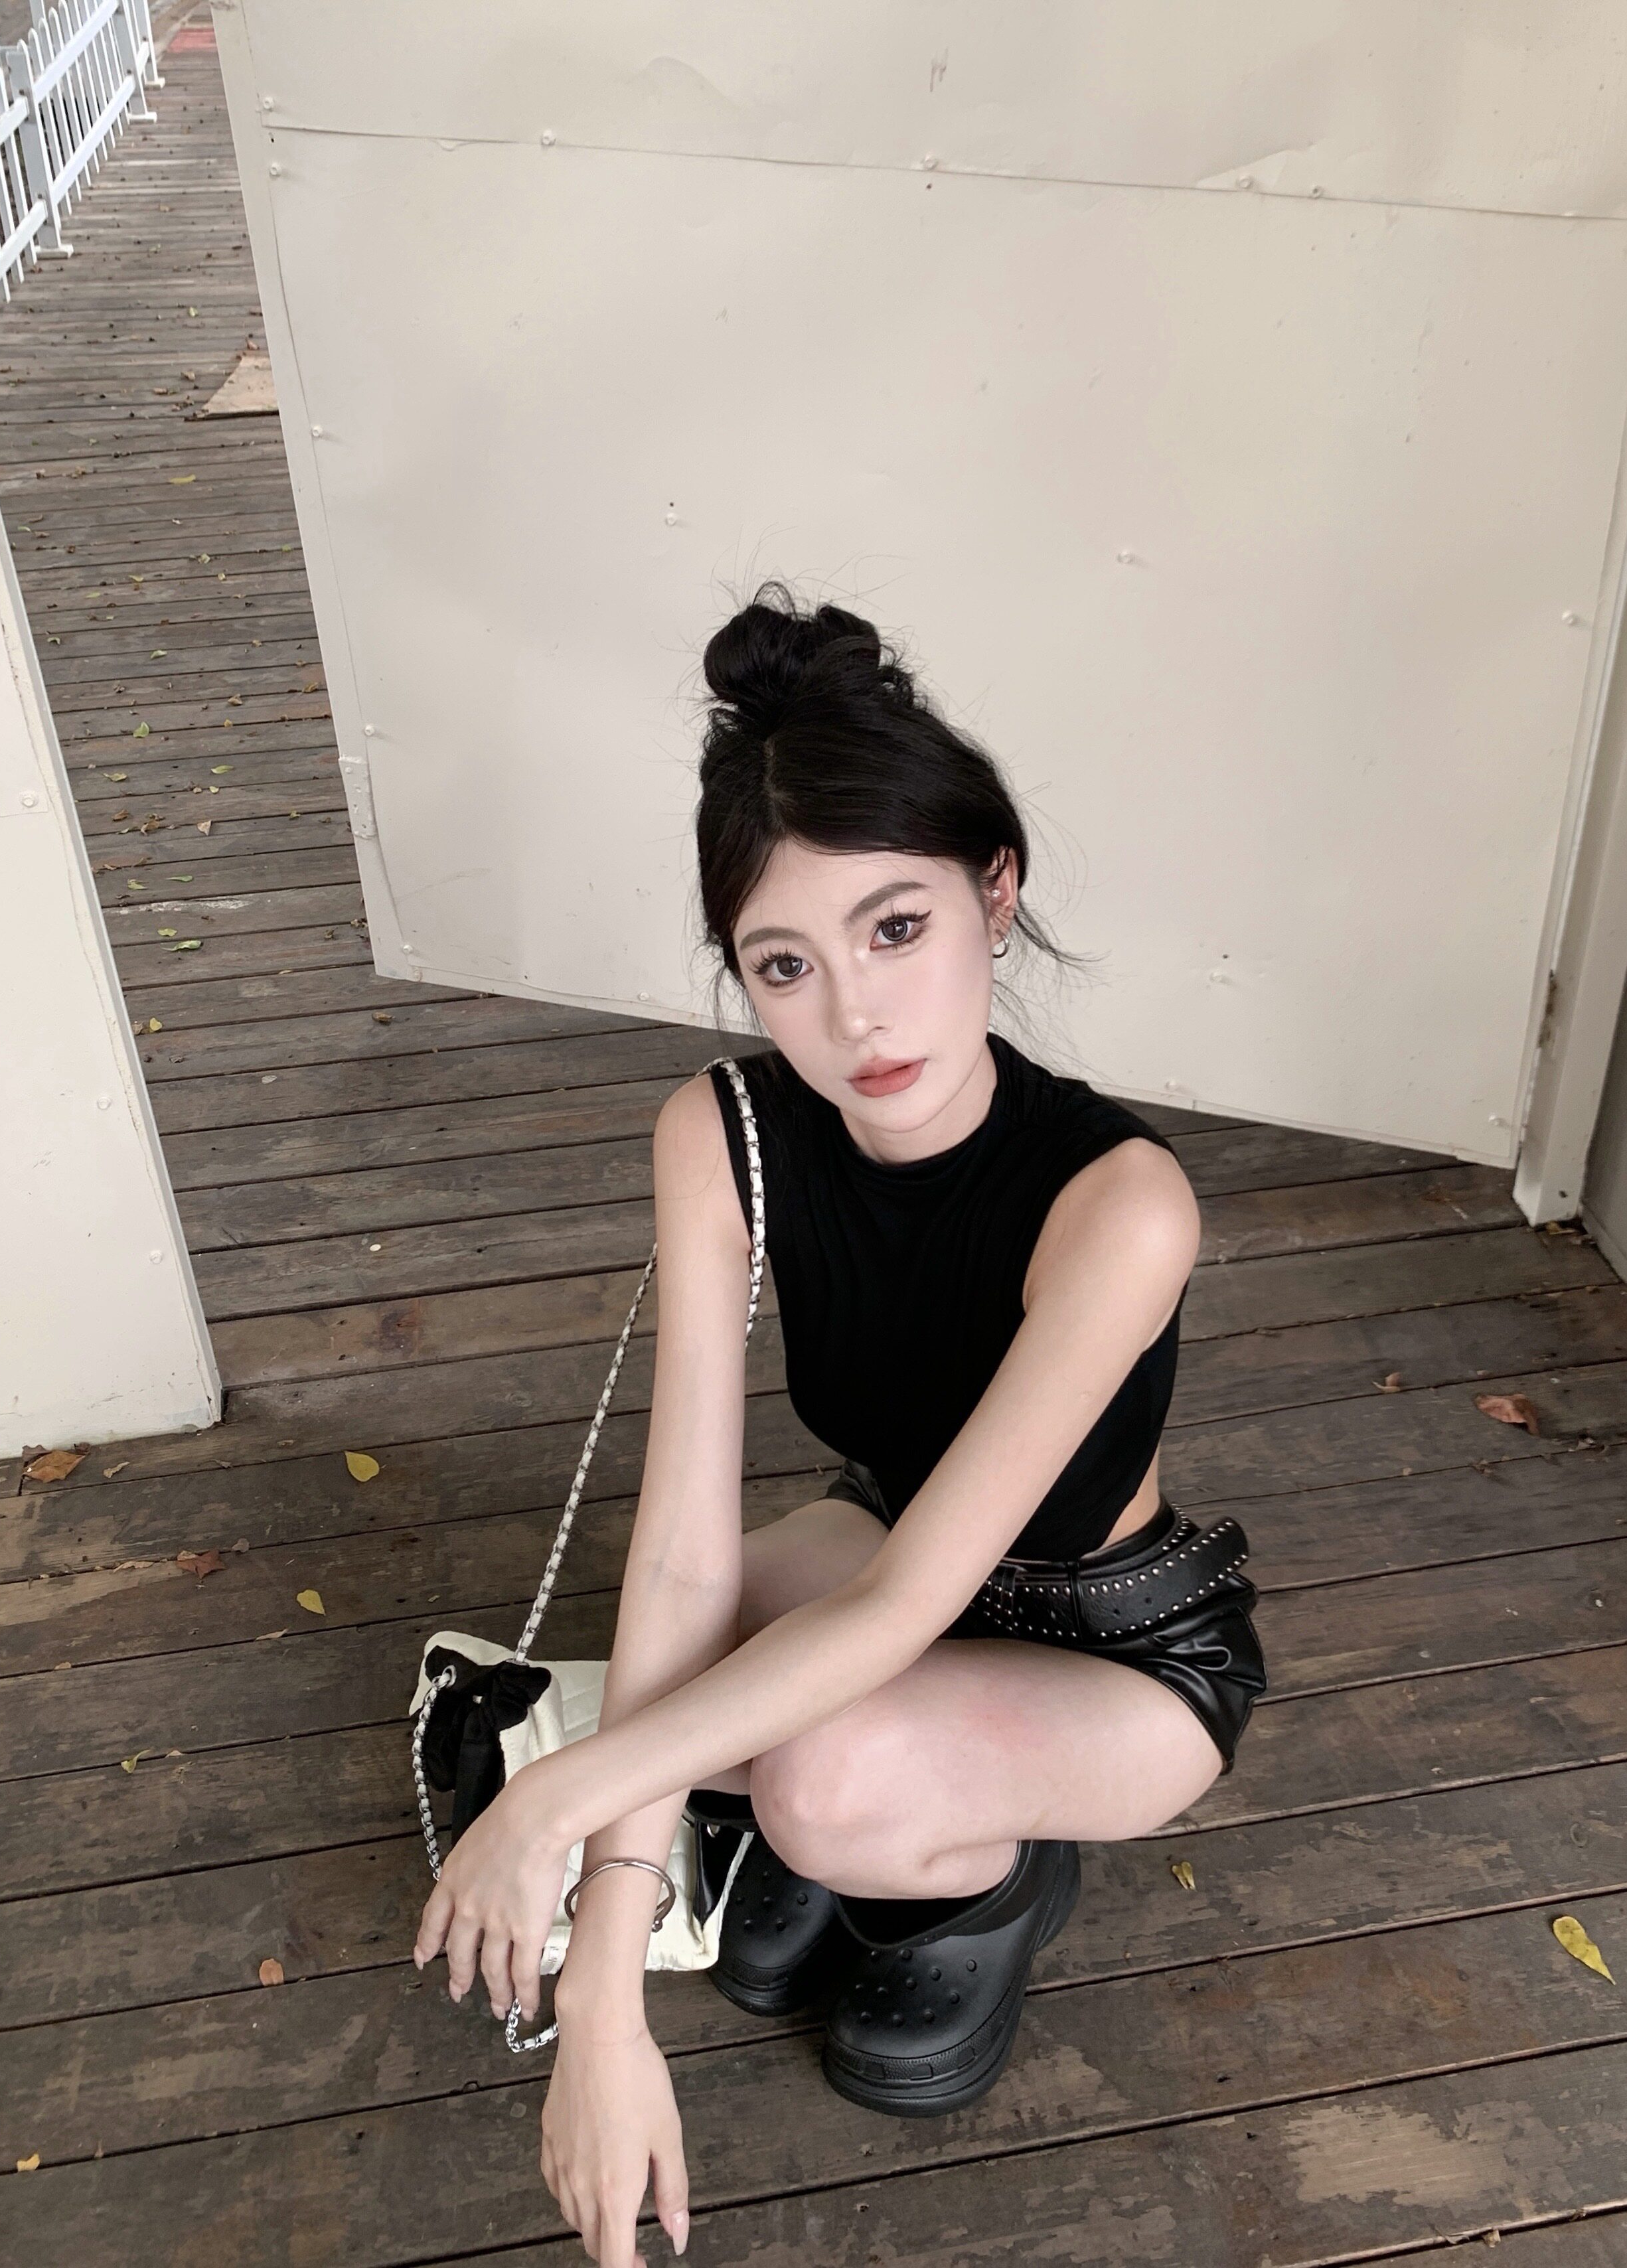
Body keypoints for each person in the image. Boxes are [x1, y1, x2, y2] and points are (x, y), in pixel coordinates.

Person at [414, 580, 1267, 2265]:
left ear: (994, 892)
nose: (856, 1018)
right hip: (883, 1542)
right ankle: (860, 1833)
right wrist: (602, 1993)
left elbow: (895, 1613)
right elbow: (678, 1558)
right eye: (785, 965)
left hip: (1110, 1647)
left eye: (896, 928)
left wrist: (554, 1807)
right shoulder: (723, 1131)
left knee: (815, 1772)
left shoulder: (1120, 1201)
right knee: (698, 1640)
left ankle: (984, 1884)